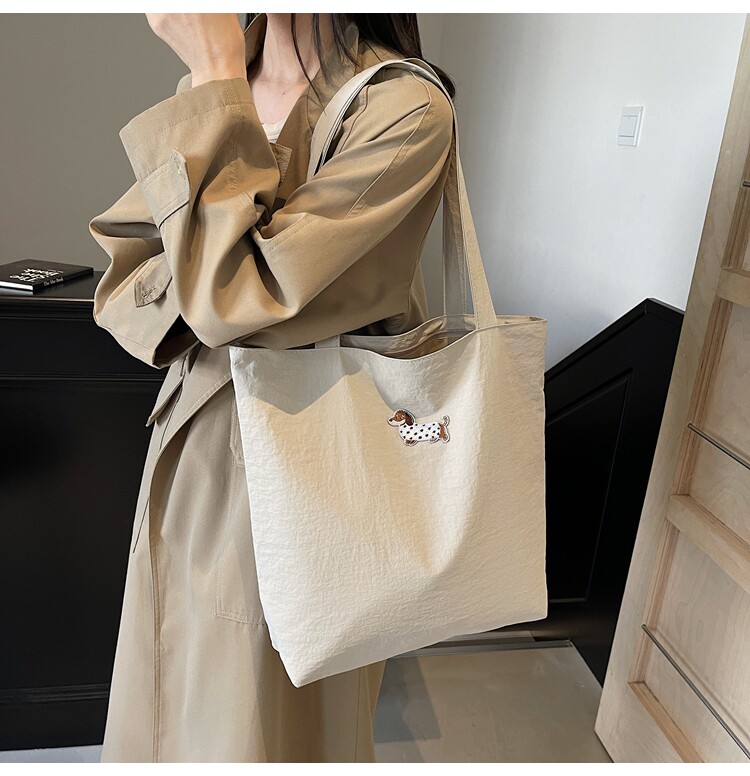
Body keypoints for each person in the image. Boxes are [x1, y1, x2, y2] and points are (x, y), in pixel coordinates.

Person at [89, 11, 456, 763]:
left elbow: (227, 295)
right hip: (188, 455)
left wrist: (217, 83)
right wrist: (219, 85)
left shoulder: (402, 108)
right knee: (169, 700)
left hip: (304, 472)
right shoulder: (225, 80)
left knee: (259, 730)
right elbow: (127, 281)